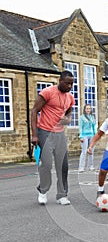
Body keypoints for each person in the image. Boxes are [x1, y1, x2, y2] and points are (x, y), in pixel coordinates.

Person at [31, 70, 75, 205]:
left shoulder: (70, 98)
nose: (69, 86)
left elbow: (68, 114)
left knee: (63, 165)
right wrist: (34, 134)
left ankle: (62, 195)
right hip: (45, 132)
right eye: (67, 83)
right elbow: (34, 111)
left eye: (71, 84)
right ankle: (42, 191)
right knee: (47, 164)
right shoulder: (47, 92)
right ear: (60, 81)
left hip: (59, 133)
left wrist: (67, 120)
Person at [78, 104, 97, 172]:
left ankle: (91, 166)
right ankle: (81, 167)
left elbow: (94, 127)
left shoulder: (92, 117)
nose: (88, 110)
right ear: (85, 109)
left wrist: (95, 135)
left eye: (89, 108)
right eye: (87, 109)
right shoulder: (82, 117)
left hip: (91, 135)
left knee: (91, 151)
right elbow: (80, 127)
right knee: (84, 152)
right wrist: (81, 136)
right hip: (84, 136)